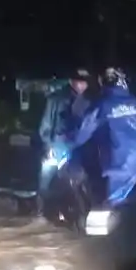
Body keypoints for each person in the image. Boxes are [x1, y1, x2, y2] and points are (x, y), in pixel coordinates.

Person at [66, 67, 136, 206]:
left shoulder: (101, 105)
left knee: (115, 208)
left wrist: (68, 139)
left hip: (121, 162)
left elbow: (80, 135)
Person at [37, 69, 93, 210]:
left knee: (81, 185)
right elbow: (46, 126)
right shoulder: (56, 99)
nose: (81, 85)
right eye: (78, 81)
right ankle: (40, 211)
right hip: (57, 148)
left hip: (79, 150)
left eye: (84, 82)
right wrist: (48, 147)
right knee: (45, 180)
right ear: (71, 81)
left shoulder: (89, 101)